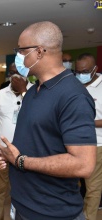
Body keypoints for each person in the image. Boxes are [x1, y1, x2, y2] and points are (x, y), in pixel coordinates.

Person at [0, 21, 97, 220]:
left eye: (21, 50)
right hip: (23, 205)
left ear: (38, 52)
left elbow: (83, 164)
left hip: (52, 212)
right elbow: (38, 144)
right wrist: (8, 158)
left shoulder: (73, 96)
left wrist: (20, 161)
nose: (17, 55)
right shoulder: (33, 92)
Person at [0, 63, 32, 220]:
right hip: (2, 152)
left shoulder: (35, 92)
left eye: (19, 72)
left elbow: (35, 116)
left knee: (25, 192)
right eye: (12, 73)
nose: (16, 76)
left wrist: (24, 91)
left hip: (27, 154)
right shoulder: (0, 94)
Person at [75, 53, 102, 220]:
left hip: (97, 143)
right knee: (71, 184)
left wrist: (85, 123)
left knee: (92, 187)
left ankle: (89, 217)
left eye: (84, 71)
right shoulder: (74, 84)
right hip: (73, 143)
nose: (80, 74)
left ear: (95, 69)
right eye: (77, 71)